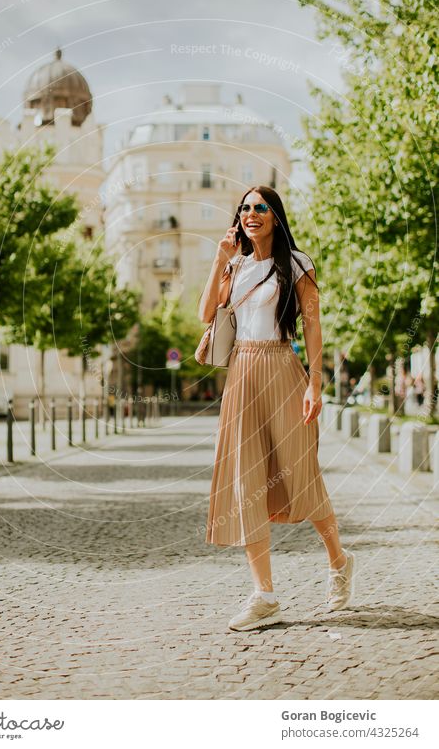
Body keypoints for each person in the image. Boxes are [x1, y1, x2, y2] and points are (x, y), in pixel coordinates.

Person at [198, 186, 356, 631]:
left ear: (275, 216)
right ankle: (264, 595)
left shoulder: (297, 263)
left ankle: (339, 562)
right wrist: (218, 259)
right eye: (245, 208)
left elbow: (311, 325)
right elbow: (205, 312)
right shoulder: (235, 265)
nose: (252, 214)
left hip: (283, 368)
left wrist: (315, 384)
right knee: (245, 477)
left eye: (261, 208)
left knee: (301, 472)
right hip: (242, 373)